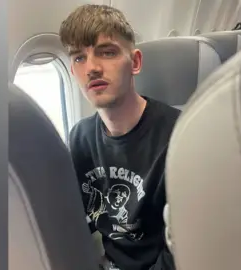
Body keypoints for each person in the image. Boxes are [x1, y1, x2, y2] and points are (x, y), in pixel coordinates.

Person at [59, 4, 179, 270]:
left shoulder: (178, 135)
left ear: (135, 62)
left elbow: (182, 245)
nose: (91, 68)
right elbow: (74, 220)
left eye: (107, 52)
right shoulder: (80, 138)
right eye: (79, 57)